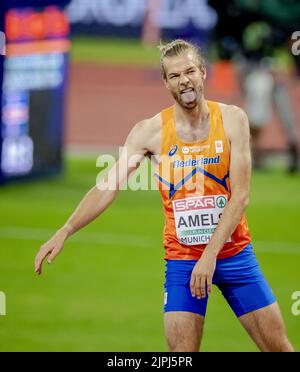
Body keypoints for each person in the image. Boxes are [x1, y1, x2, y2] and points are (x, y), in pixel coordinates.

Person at [35, 39, 294, 352]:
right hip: (183, 260)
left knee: (279, 349)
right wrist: (67, 229)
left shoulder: (231, 120)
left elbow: (240, 197)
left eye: (189, 72)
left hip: (234, 255)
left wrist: (210, 256)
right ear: (165, 82)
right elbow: (108, 185)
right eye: (174, 76)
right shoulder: (149, 132)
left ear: (203, 73)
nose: (184, 80)